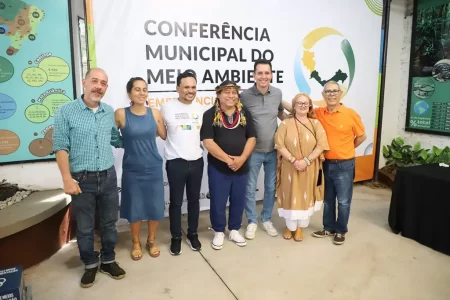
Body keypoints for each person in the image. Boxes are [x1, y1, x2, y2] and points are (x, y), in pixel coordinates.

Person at [52, 68, 126, 288]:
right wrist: (66, 178)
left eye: (103, 83)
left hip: (108, 176)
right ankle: (90, 264)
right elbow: (60, 147)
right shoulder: (66, 111)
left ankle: (108, 260)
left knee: (109, 223)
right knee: (84, 227)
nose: (98, 87)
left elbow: (116, 139)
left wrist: (139, 135)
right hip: (81, 179)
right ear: (84, 82)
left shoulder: (108, 112)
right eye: (95, 81)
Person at [283, 81, 366, 245]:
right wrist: (276, 97)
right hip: (325, 164)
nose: (331, 94)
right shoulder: (319, 113)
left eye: (335, 91)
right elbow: (297, 107)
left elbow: (362, 136)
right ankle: (328, 228)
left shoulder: (350, 114)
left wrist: (348, 149)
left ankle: (341, 230)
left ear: (340, 93)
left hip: (344, 165)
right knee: (327, 199)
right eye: (328, 91)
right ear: (323, 95)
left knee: (343, 201)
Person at [200, 80, 257, 250]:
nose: (231, 95)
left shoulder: (245, 113)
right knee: (218, 200)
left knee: (238, 199)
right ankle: (218, 231)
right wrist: (228, 160)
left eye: (234, 92)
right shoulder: (210, 114)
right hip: (219, 167)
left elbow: (252, 138)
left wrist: (242, 158)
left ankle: (234, 229)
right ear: (218, 94)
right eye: (227, 92)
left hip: (242, 165)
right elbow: (208, 142)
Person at [115, 77, 167, 260]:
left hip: (153, 167)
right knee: (135, 208)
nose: (141, 93)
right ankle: (136, 242)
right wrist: (125, 143)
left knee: (154, 206)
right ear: (129, 93)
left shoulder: (155, 113)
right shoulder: (121, 113)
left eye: (144, 89)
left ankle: (151, 240)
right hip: (132, 169)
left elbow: (163, 134)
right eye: (137, 89)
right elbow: (112, 136)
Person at [239, 59, 288, 240]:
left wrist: (297, 123)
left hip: (274, 150)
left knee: (270, 187)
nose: (263, 76)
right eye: (260, 73)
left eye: (267, 73)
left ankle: (266, 218)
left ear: (271, 75)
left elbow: (281, 113)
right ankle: (252, 220)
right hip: (253, 151)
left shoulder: (277, 93)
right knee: (250, 188)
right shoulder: (244, 96)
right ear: (254, 75)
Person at [160, 70, 204, 255]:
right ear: (177, 88)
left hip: (197, 161)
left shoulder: (200, 108)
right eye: (186, 87)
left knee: (194, 201)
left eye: (193, 87)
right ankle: (176, 236)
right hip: (175, 162)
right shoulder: (166, 107)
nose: (190, 90)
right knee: (176, 202)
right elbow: (162, 133)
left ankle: (193, 233)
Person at [274, 93, 329, 241]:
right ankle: (289, 226)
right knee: (290, 195)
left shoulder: (315, 124)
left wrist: (306, 161)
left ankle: (299, 228)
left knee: (305, 196)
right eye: (299, 103)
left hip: (309, 167)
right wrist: (294, 160)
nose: (303, 105)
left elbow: (321, 145)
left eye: (306, 103)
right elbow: (279, 145)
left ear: (310, 105)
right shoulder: (286, 124)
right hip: (289, 167)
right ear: (294, 106)